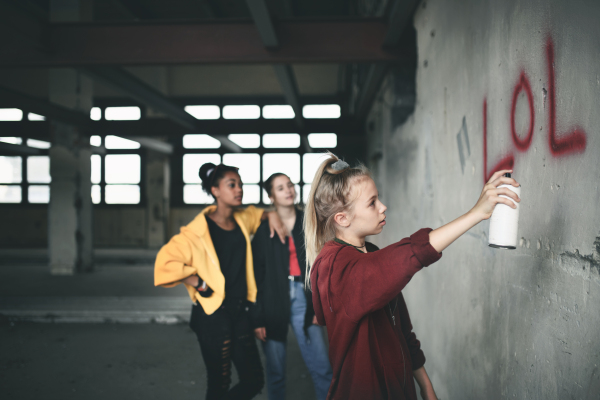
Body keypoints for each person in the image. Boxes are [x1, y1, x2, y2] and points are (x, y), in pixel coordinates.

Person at [304, 154, 520, 400]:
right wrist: (475, 214)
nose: (383, 207)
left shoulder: (371, 254)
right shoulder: (335, 268)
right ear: (342, 218)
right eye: (372, 203)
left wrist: (425, 386)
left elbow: (402, 330)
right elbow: (409, 254)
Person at [155, 162, 288, 400]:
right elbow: (165, 263)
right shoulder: (196, 231)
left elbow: (261, 213)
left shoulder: (241, 218)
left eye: (240, 184)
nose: (239, 189)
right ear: (215, 191)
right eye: (231, 185)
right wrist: (197, 282)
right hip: (212, 316)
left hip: (240, 312)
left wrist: (273, 215)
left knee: (253, 380)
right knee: (219, 383)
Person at [250, 173, 333, 400]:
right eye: (280, 188)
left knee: (322, 366)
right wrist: (257, 318)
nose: (288, 190)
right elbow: (256, 275)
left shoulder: (309, 221)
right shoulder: (262, 230)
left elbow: (322, 265)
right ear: (270, 196)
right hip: (272, 300)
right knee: (275, 371)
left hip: (305, 298)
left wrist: (319, 306)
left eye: (289, 185)